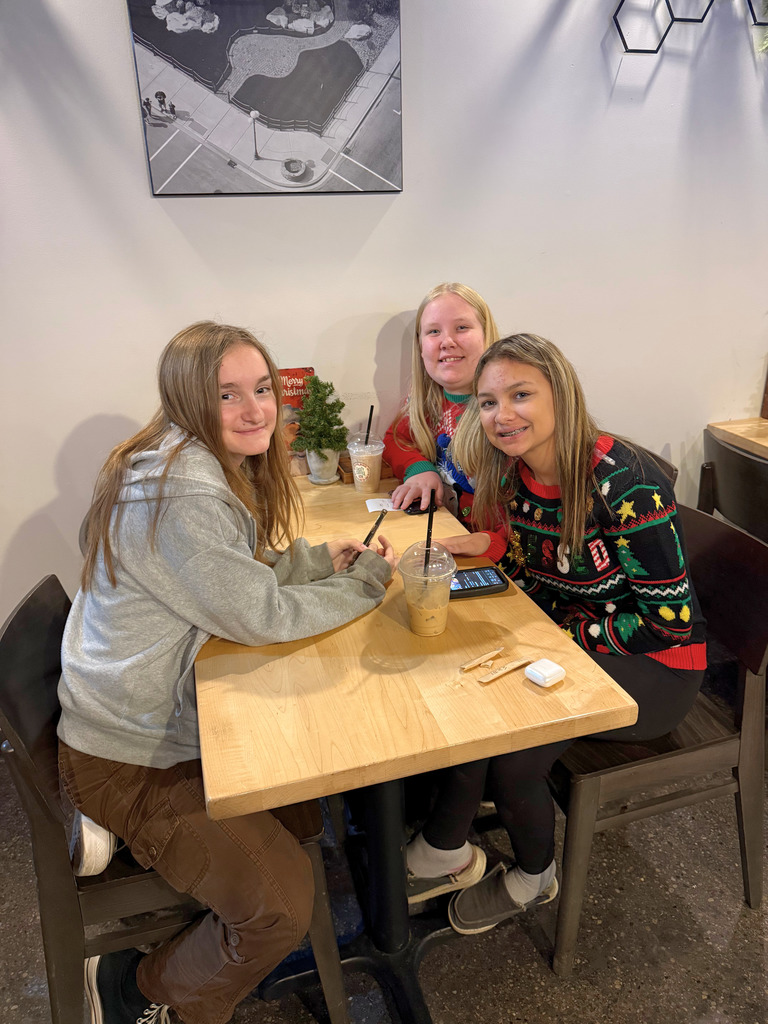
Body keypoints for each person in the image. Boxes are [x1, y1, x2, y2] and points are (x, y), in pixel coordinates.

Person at [57, 321, 396, 1024]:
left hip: (143, 714)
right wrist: (365, 585)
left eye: (263, 389)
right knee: (281, 906)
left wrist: (311, 563)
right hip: (130, 755)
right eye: (228, 396)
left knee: (306, 791)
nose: (256, 410)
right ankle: (138, 988)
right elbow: (260, 617)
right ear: (187, 403)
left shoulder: (174, 459)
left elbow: (229, 580)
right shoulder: (184, 492)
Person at [404, 333, 706, 934]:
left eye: (521, 395)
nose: (502, 414)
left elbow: (671, 623)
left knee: (513, 760)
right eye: (488, 403)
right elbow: (528, 564)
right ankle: (446, 847)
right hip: (572, 638)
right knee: (468, 695)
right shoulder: (514, 473)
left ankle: (533, 877)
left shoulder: (624, 483)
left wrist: (565, 635)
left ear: (561, 396)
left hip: (656, 670)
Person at [383, 282, 508, 561]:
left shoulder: (508, 413)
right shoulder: (425, 404)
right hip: (444, 544)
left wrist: (494, 541)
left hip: (500, 559)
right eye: (433, 331)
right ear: (420, 346)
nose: (447, 341)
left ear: (488, 337)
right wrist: (420, 468)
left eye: (461, 327)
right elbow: (394, 439)